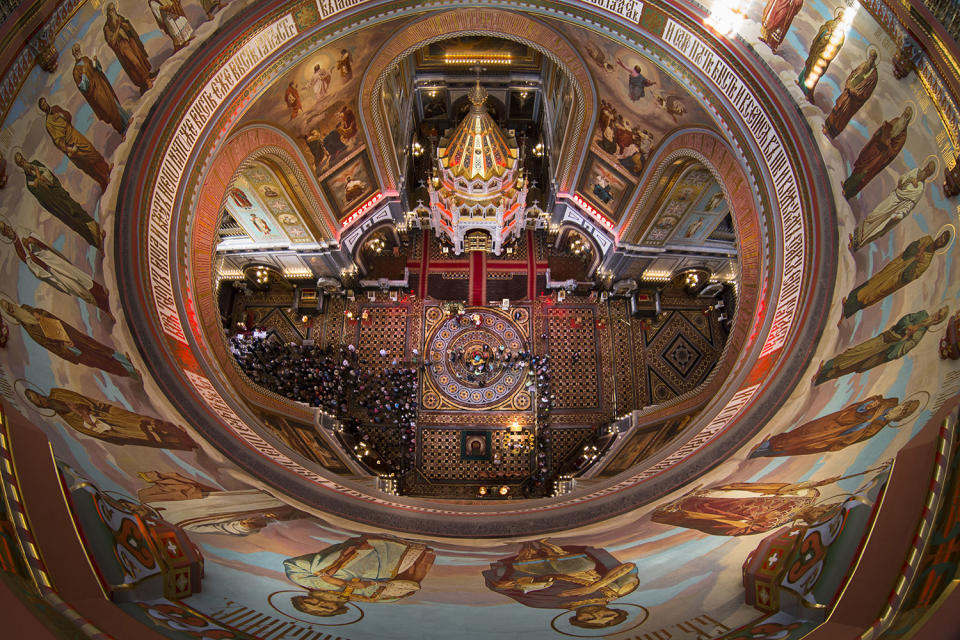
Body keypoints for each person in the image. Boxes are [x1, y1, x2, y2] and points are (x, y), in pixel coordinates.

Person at [483, 539, 639, 630]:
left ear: (577, 618)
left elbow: (506, 588)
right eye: (607, 615)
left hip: (531, 570)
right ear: (615, 611)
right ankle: (543, 546)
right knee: (582, 566)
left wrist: (513, 585)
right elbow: (629, 567)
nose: (596, 614)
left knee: (523, 571)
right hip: (577, 563)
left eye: (589, 619)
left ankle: (529, 547)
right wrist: (594, 587)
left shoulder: (545, 604)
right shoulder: (617, 591)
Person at [284, 535, 435, 616]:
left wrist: (328, 575)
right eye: (326, 607)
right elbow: (406, 589)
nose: (319, 601)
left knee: (320, 566)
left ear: (305, 598)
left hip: (360, 551)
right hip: (391, 560)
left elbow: (294, 565)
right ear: (338, 607)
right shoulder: (367, 597)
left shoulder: (302, 579)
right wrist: (371, 584)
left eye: (311, 603)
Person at [0, 299, 141, 380]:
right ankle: (130, 372)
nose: (13, 309)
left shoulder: (31, 310)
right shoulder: (31, 330)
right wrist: (66, 346)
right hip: (70, 347)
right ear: (12, 315)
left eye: (11, 305)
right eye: (10, 310)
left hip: (72, 335)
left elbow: (51, 319)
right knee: (98, 360)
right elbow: (49, 345)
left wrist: (41, 315)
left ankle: (126, 361)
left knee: (99, 348)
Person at [0, 220, 111, 316]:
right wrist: (32, 258)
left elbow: (39, 241)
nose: (7, 231)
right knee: (75, 287)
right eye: (4, 232)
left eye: (6, 228)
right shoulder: (18, 250)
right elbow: (33, 266)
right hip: (50, 271)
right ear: (4, 235)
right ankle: (101, 305)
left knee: (78, 275)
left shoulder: (21, 230)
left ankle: (101, 291)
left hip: (52, 258)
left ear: (8, 225)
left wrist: (31, 241)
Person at [814, 306, 949, 384]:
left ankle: (825, 376)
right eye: (938, 313)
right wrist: (908, 327)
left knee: (858, 364)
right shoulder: (922, 314)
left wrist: (903, 341)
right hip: (885, 339)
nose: (936, 316)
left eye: (939, 317)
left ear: (938, 321)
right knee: (856, 351)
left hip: (885, 351)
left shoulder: (921, 334)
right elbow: (906, 319)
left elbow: (905, 348)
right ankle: (826, 367)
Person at [748, 395, 919, 457]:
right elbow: (857, 409)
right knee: (798, 435)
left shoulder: (879, 426)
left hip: (832, 437)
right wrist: (864, 408)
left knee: (800, 445)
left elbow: (858, 437)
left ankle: (762, 452)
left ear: (900, 417)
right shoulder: (881, 404)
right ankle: (765, 446)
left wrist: (839, 442)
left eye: (903, 413)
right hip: (831, 425)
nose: (900, 411)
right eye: (902, 408)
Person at [651, 480, 840, 536]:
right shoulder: (809, 496)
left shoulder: (777, 522)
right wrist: (813, 483)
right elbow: (780, 488)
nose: (820, 511)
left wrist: (738, 523)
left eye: (821, 516)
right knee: (723, 496)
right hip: (744, 498)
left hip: (733, 509)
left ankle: (682, 507)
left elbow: (740, 528)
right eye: (826, 508)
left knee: (717, 507)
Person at [24, 387, 193, 448]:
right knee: (146, 434)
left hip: (108, 413)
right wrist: (88, 421)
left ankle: (178, 431)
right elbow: (94, 432)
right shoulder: (68, 420)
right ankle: (182, 441)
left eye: (36, 395)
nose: (39, 400)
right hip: (114, 428)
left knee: (145, 421)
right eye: (36, 401)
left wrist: (84, 411)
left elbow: (83, 402)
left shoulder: (58, 393)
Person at [841, 231, 950, 318]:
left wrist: (916, 261)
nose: (940, 240)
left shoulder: (927, 262)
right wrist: (917, 249)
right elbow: (909, 249)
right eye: (941, 237)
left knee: (876, 292)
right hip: (896, 265)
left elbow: (909, 277)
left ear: (942, 246)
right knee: (875, 280)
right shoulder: (927, 240)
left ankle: (849, 309)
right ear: (939, 236)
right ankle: (850, 298)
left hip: (897, 279)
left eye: (943, 242)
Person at [13, 152, 103, 249]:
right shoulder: (29, 183)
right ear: (20, 166)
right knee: (75, 223)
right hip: (57, 205)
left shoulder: (36, 164)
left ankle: (98, 232)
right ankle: (96, 242)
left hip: (60, 194)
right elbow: (42, 198)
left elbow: (49, 175)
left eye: (22, 159)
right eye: (21, 163)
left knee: (78, 210)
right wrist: (40, 181)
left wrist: (39, 177)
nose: (23, 162)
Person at [849, 161, 936, 251]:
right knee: (873, 215)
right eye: (926, 169)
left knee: (877, 227)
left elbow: (909, 206)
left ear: (929, 175)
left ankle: (857, 243)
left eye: (928, 172)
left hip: (896, 209)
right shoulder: (915, 171)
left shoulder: (920, 190)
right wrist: (910, 179)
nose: (925, 172)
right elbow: (901, 180)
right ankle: (856, 235)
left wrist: (899, 215)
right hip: (893, 197)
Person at [38, 97, 112, 191]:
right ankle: (103, 180)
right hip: (70, 144)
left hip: (74, 134)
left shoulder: (55, 108)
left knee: (91, 150)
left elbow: (68, 116)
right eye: (43, 105)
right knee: (87, 163)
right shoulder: (49, 124)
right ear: (42, 109)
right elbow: (57, 141)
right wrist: (68, 149)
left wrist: (61, 114)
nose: (45, 105)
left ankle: (106, 169)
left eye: (45, 102)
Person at [842, 106, 913, 200]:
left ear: (908, 119)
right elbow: (885, 129)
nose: (904, 115)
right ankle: (846, 185)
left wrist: (888, 144)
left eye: (907, 115)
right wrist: (882, 129)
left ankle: (848, 192)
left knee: (864, 173)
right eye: (905, 112)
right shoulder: (896, 120)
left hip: (880, 157)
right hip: (875, 147)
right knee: (860, 167)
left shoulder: (903, 136)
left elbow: (892, 153)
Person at [71, 44, 130, 136]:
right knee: (108, 110)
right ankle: (121, 130)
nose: (78, 52)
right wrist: (84, 77)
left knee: (113, 103)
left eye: (78, 50)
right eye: (76, 51)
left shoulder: (86, 59)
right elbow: (82, 87)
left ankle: (126, 120)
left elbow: (96, 69)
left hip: (101, 84)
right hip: (95, 93)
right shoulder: (76, 71)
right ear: (74, 54)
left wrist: (95, 61)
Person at [823, 50, 878, 138]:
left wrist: (854, 92)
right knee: (838, 107)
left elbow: (866, 93)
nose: (871, 59)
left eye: (873, 57)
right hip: (847, 92)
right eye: (870, 56)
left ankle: (832, 133)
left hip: (853, 100)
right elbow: (853, 73)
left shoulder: (873, 76)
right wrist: (848, 83)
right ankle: (827, 125)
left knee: (843, 115)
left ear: (874, 59)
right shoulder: (864, 65)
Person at [103, 3, 155, 94]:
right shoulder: (107, 27)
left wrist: (122, 24)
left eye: (114, 9)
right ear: (108, 13)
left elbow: (128, 27)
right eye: (111, 10)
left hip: (130, 40)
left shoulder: (119, 17)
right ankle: (146, 81)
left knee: (140, 57)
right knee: (134, 62)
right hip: (122, 46)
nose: (113, 12)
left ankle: (148, 75)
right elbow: (111, 41)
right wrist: (118, 26)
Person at [798, 10, 845, 101]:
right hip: (817, 49)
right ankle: (801, 82)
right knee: (809, 65)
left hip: (824, 55)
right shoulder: (830, 23)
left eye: (841, 19)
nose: (839, 19)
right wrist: (826, 31)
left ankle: (809, 93)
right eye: (839, 17)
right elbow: (822, 29)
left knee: (815, 72)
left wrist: (829, 35)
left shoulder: (841, 34)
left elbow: (836, 46)